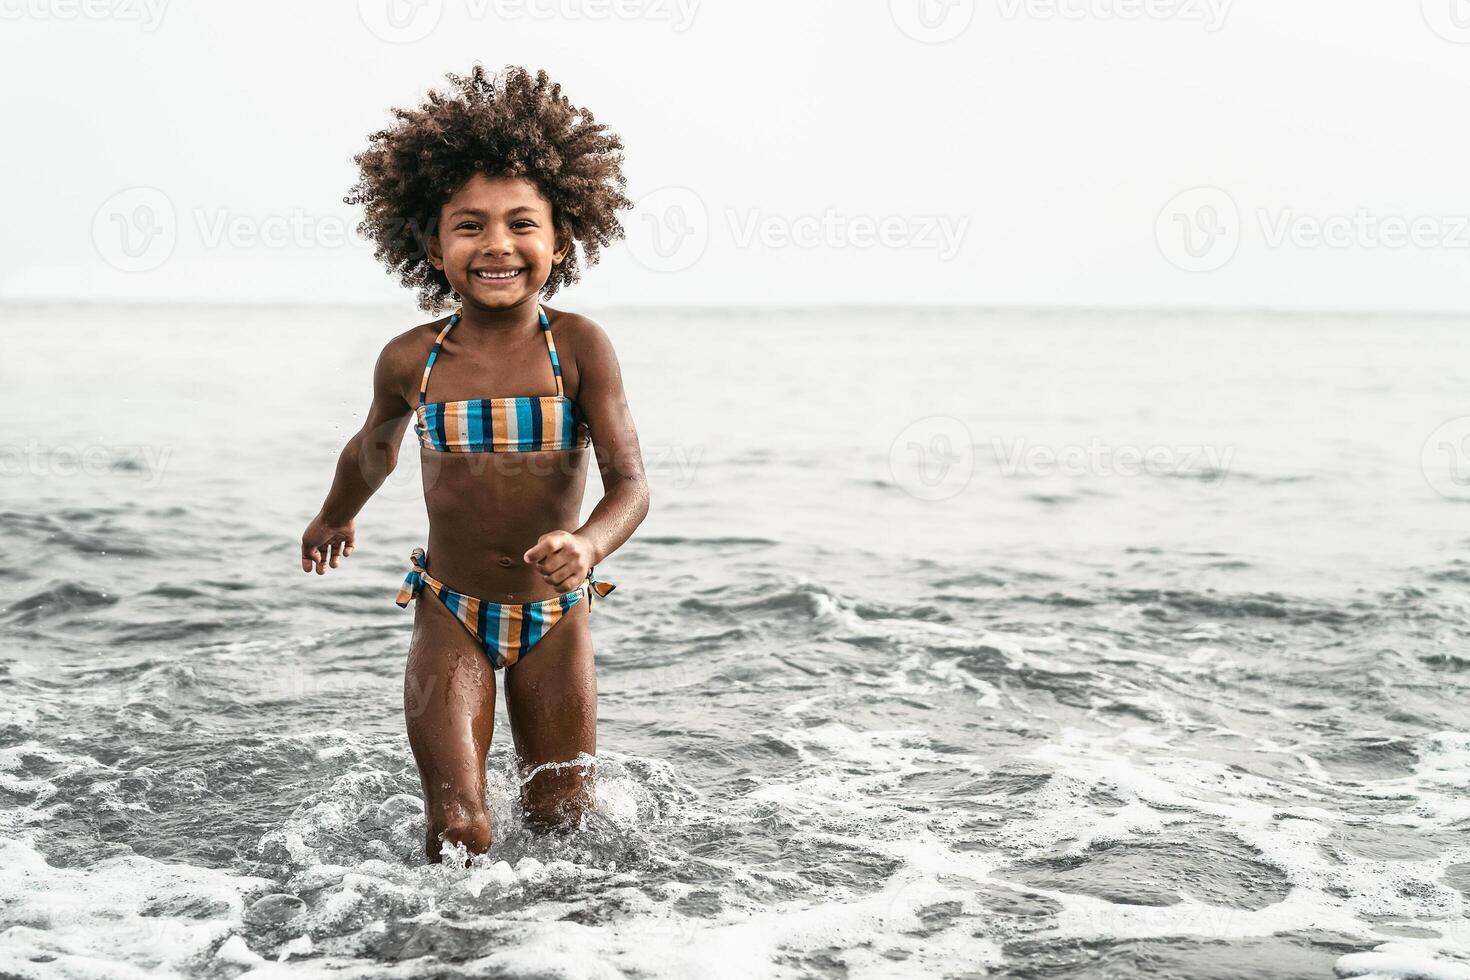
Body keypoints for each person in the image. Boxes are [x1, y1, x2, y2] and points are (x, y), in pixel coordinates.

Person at [299, 65, 648, 862]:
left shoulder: (580, 348)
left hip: (555, 622)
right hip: (450, 611)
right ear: (431, 244)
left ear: (561, 239)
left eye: (523, 224)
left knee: (565, 823)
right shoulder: (412, 360)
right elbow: (372, 449)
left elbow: (631, 483)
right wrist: (335, 513)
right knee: (458, 829)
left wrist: (589, 545)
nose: (497, 244)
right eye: (469, 226)